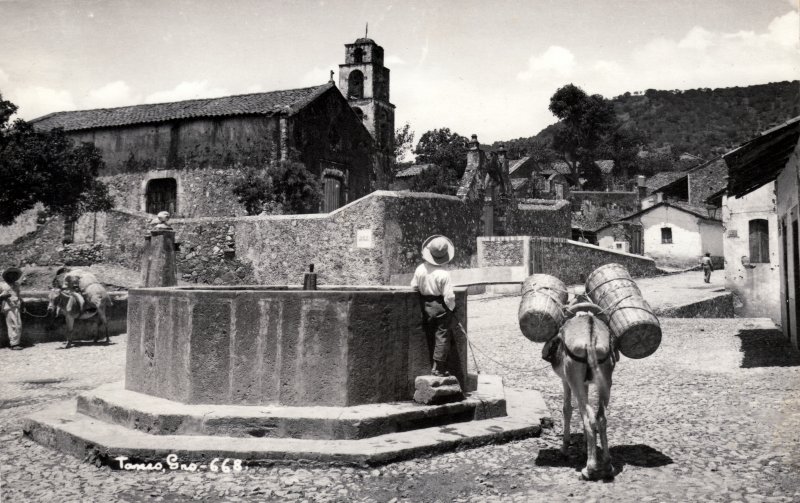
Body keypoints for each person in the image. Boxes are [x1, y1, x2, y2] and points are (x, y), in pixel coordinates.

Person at [410, 235, 456, 377]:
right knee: (442, 335)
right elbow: (449, 296)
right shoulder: (444, 275)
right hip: (440, 307)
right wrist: (452, 308)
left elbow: (414, 286)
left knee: (430, 334)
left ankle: (433, 364)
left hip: (425, 306)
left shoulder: (420, 269)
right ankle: (438, 367)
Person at [1, 267, 24, 350]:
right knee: (12, 325)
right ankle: (14, 344)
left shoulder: (17, 285)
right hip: (8, 307)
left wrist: (22, 303)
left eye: (14, 275)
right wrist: (4, 296)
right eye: (10, 275)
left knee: (18, 324)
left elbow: (18, 295)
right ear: (7, 276)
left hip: (17, 306)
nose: (12, 276)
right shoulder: (2, 285)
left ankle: (17, 342)